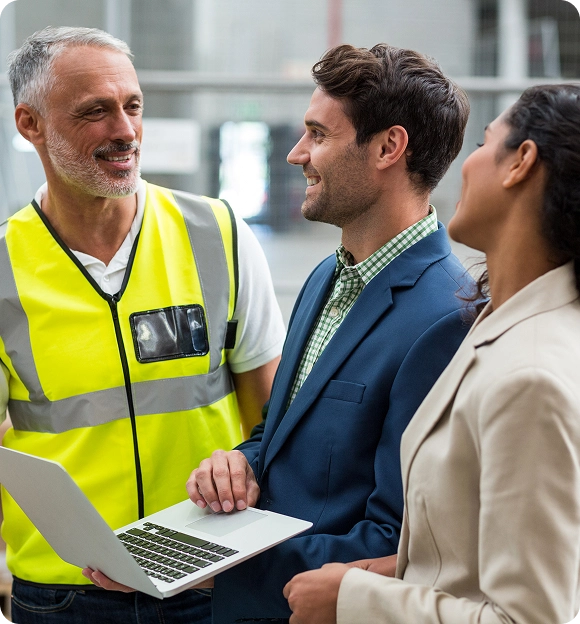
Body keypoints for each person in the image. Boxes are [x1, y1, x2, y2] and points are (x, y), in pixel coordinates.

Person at [0, 26, 285, 624]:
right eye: (95, 112)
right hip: (61, 596)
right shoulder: (3, 267)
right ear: (30, 125)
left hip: (210, 580)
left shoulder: (218, 234)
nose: (124, 130)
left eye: (132, 106)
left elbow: (272, 418)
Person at [184, 43, 476, 623]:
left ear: (389, 147)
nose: (297, 154)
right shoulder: (326, 276)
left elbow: (402, 539)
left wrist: (215, 567)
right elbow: (283, 437)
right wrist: (240, 464)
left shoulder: (446, 318)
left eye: (318, 134)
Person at [283, 83, 580, 624]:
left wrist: (353, 598)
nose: (463, 166)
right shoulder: (501, 326)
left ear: (522, 164)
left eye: (485, 145)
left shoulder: (530, 375)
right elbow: (453, 552)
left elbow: (528, 618)